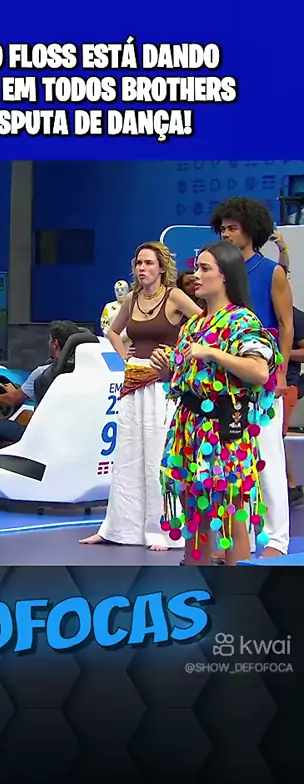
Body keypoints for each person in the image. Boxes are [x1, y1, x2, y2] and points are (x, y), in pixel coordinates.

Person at [151, 241, 280, 566]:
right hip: (188, 427)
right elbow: (181, 379)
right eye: (197, 267)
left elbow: (259, 372)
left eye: (205, 268)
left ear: (225, 276)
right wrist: (166, 370)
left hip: (224, 428)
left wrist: (213, 353)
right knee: (194, 511)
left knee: (230, 510)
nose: (196, 275)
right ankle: (196, 580)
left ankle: (239, 585)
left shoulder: (242, 321)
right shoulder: (193, 325)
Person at [80, 242, 201, 550]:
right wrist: (126, 358)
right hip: (133, 380)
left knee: (159, 455)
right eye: (138, 263)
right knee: (128, 455)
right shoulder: (131, 298)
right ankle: (119, 529)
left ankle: (164, 529)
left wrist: (178, 355)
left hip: (161, 384)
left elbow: (204, 324)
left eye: (148, 263)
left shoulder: (174, 296)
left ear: (161, 268)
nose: (142, 268)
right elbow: (112, 332)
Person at [210, 198, 293, 558]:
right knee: (228, 462)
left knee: (268, 459)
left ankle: (277, 539)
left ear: (251, 230)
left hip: (264, 379)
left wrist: (281, 372)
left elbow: (286, 326)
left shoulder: (271, 271)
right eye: (223, 229)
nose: (226, 234)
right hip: (227, 381)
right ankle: (234, 539)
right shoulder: (221, 275)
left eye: (233, 228)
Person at [0, 320, 80, 458]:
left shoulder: (43, 373)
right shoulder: (80, 370)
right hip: (65, 432)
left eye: (50, 340)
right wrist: (18, 391)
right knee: (25, 415)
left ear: (55, 343)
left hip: (42, 435)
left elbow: (12, 400)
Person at [284, 307, 304, 505]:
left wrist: (283, 352)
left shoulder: (295, 317)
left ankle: (289, 487)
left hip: (286, 385)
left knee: (276, 437)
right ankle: (289, 486)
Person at [100, 280, 131, 349]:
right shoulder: (108, 307)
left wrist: (121, 337)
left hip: (129, 344)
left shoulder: (133, 306)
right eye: (117, 290)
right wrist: (112, 337)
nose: (119, 291)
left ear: (127, 290)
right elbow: (104, 325)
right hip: (110, 344)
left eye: (122, 289)